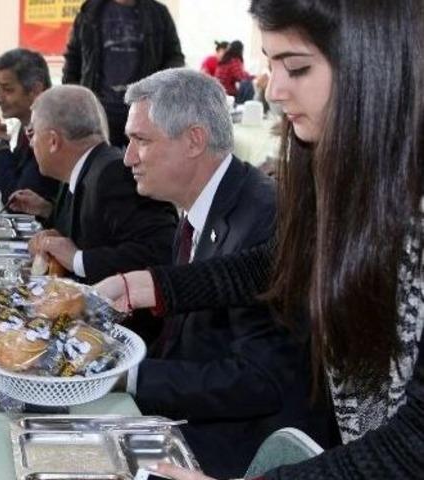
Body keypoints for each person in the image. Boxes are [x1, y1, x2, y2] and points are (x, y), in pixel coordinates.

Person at [97, 0, 424, 478]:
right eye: (271, 64)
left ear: (374, 64)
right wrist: (147, 286)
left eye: (298, 68)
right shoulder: (337, 173)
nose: (274, 89)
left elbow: (412, 445)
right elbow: (278, 267)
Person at [121, 68, 336, 476]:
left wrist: (129, 377)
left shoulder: (266, 217)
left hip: (241, 452)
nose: (128, 157)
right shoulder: (202, 207)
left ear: (194, 141)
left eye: (141, 140)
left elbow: (260, 380)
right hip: (195, 422)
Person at [9, 84, 176, 285]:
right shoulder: (85, 168)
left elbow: (160, 250)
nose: (31, 143)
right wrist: (50, 216)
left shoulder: (113, 173)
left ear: (53, 141)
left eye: (32, 134)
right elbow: (96, 228)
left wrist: (77, 260)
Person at [62, 0, 184, 148]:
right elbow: (73, 59)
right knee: (101, 160)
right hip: (99, 112)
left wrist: (160, 92)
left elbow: (174, 57)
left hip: (145, 110)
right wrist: (73, 101)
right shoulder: (90, 12)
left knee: (145, 159)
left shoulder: (158, 13)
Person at [0, 48, 61, 205]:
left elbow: (18, 202)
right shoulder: (26, 125)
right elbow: (6, 182)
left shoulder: (51, 132)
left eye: (7, 90)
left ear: (35, 90)